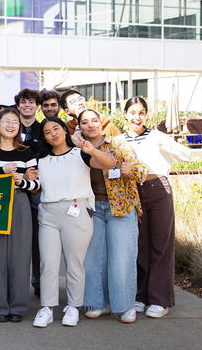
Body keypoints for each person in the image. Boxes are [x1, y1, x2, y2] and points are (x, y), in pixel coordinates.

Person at [32, 117, 115, 328]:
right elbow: (35, 188)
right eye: (48, 132)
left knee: (74, 263)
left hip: (76, 212)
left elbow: (111, 163)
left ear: (64, 130)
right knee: (48, 263)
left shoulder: (80, 154)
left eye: (56, 128)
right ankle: (47, 307)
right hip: (48, 213)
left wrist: (92, 150)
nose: (53, 134)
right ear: (44, 138)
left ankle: (73, 307)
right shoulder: (41, 159)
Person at [121, 96, 191, 319]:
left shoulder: (156, 136)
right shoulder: (119, 140)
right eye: (132, 112)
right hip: (133, 192)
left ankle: (160, 299)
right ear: (125, 115)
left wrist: (165, 145)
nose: (137, 117)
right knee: (139, 245)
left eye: (141, 112)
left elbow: (185, 156)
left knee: (161, 244)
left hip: (158, 189)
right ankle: (141, 295)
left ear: (146, 115)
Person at [75, 109, 146, 324]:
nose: (91, 125)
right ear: (80, 127)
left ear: (101, 123)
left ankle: (124, 306)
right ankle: (97, 303)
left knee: (121, 259)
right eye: (85, 122)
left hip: (121, 207)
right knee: (93, 259)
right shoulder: (77, 151)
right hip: (92, 209)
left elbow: (141, 171)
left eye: (94, 120)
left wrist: (128, 170)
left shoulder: (118, 144)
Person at [0, 108, 40, 323]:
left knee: (21, 257)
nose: (11, 125)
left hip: (20, 202)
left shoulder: (27, 152)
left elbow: (37, 184)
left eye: (15, 121)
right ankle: (0, 307)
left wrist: (21, 181)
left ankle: (19, 307)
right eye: (6, 121)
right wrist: (1, 173)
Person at [15, 88, 44, 296]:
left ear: (37, 106)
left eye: (31, 102)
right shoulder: (10, 126)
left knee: (38, 239)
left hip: (37, 189)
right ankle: (15, 282)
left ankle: (39, 281)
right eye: (24, 102)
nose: (27, 105)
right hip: (13, 187)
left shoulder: (43, 129)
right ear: (18, 105)